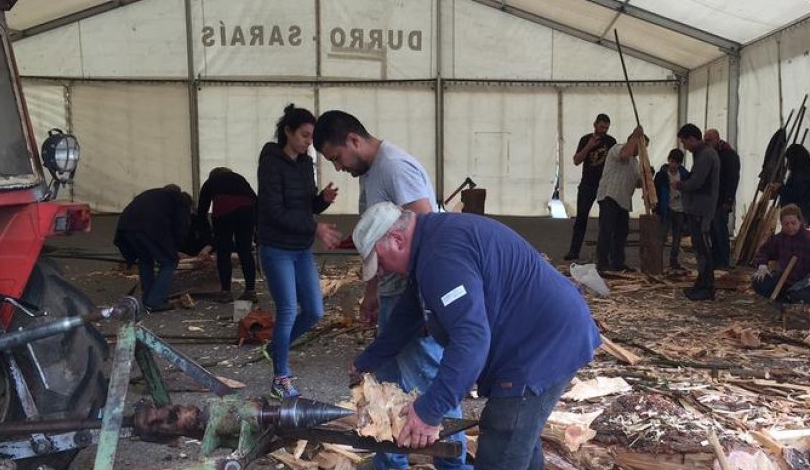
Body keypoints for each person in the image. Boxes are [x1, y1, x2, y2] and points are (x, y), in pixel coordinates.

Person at [349, 203, 601, 470]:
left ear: (397, 240)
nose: (382, 271)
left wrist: (430, 410)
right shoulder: (431, 243)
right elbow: (409, 313)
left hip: (541, 345)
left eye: (380, 261)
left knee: (503, 436)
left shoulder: (440, 259)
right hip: (546, 334)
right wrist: (368, 360)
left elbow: (470, 340)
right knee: (518, 441)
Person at [312, 110, 467, 470]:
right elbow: (379, 242)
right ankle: (388, 461)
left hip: (413, 294)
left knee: (429, 381)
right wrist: (372, 293)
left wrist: (421, 303)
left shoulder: (395, 167)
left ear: (353, 140)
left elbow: (425, 228)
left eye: (337, 158)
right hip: (395, 292)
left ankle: (454, 465)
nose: (338, 168)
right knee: (386, 382)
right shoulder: (371, 171)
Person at [256, 104, 338, 399]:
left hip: (301, 249)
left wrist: (322, 201)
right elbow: (275, 211)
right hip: (276, 247)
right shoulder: (270, 162)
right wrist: (315, 227)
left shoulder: (305, 164)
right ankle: (281, 377)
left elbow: (305, 206)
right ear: (288, 132)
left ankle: (275, 347)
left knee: (315, 311)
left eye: (311, 138)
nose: (308, 142)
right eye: (304, 135)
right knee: (288, 309)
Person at [114, 184, 197, 312]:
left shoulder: (153, 194)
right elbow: (181, 228)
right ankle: (155, 300)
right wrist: (176, 250)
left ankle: (149, 298)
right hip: (148, 228)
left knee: (145, 259)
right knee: (169, 262)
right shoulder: (180, 201)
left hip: (126, 227)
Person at [196, 167, 258, 303]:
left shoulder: (210, 182)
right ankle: (250, 290)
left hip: (223, 212)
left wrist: (208, 240)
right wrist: (258, 230)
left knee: (223, 251)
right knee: (245, 250)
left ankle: (226, 292)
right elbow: (255, 200)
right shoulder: (240, 178)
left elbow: (201, 211)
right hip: (247, 211)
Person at [750, 204, 810, 303]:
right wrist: (762, 265)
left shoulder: (808, 238)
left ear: (800, 222)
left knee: (801, 297)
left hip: (807, 282)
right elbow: (764, 251)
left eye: (793, 223)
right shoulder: (779, 238)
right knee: (759, 282)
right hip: (786, 280)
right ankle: (784, 298)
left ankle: (792, 298)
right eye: (786, 224)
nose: (790, 227)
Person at [593, 125, 646, 273]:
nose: (642, 151)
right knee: (607, 230)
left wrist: (646, 178)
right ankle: (602, 262)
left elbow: (636, 184)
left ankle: (617, 262)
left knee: (622, 232)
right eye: (641, 146)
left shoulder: (635, 163)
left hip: (623, 201)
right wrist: (636, 136)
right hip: (610, 195)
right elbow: (624, 155)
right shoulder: (618, 148)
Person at [676, 124, 720, 301]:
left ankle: (707, 287)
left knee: (703, 249)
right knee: (699, 248)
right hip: (699, 207)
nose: (684, 147)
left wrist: (680, 185)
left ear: (692, 139)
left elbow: (697, 182)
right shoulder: (703, 154)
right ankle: (701, 284)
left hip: (702, 209)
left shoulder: (706, 155)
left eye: (684, 142)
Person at [565, 114, 617, 261]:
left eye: (606, 128)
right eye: (602, 127)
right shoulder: (585, 139)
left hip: (605, 185)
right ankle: (574, 251)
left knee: (605, 221)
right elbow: (576, 160)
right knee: (581, 218)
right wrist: (589, 146)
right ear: (595, 124)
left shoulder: (611, 141)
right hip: (587, 184)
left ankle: (603, 254)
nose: (604, 130)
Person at [703, 129, 741, 268]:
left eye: (709, 140)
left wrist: (728, 200)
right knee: (713, 231)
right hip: (711, 201)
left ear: (717, 139)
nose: (706, 143)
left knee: (720, 232)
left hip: (721, 200)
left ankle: (723, 261)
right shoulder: (711, 155)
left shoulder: (729, 155)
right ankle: (716, 260)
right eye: (705, 140)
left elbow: (732, 179)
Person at [653, 148, 689, 270]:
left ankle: (673, 261)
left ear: (680, 163)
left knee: (677, 237)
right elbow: (655, 191)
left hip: (680, 209)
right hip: (665, 209)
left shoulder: (684, 174)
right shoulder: (661, 175)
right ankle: (657, 262)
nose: (674, 165)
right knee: (662, 236)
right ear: (669, 160)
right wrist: (656, 206)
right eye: (672, 161)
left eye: (677, 163)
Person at [778, 144, 810, 228]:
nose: (787, 163)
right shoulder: (807, 172)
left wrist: (780, 189)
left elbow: (796, 193)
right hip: (802, 212)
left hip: (797, 213)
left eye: (788, 160)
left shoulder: (800, 175)